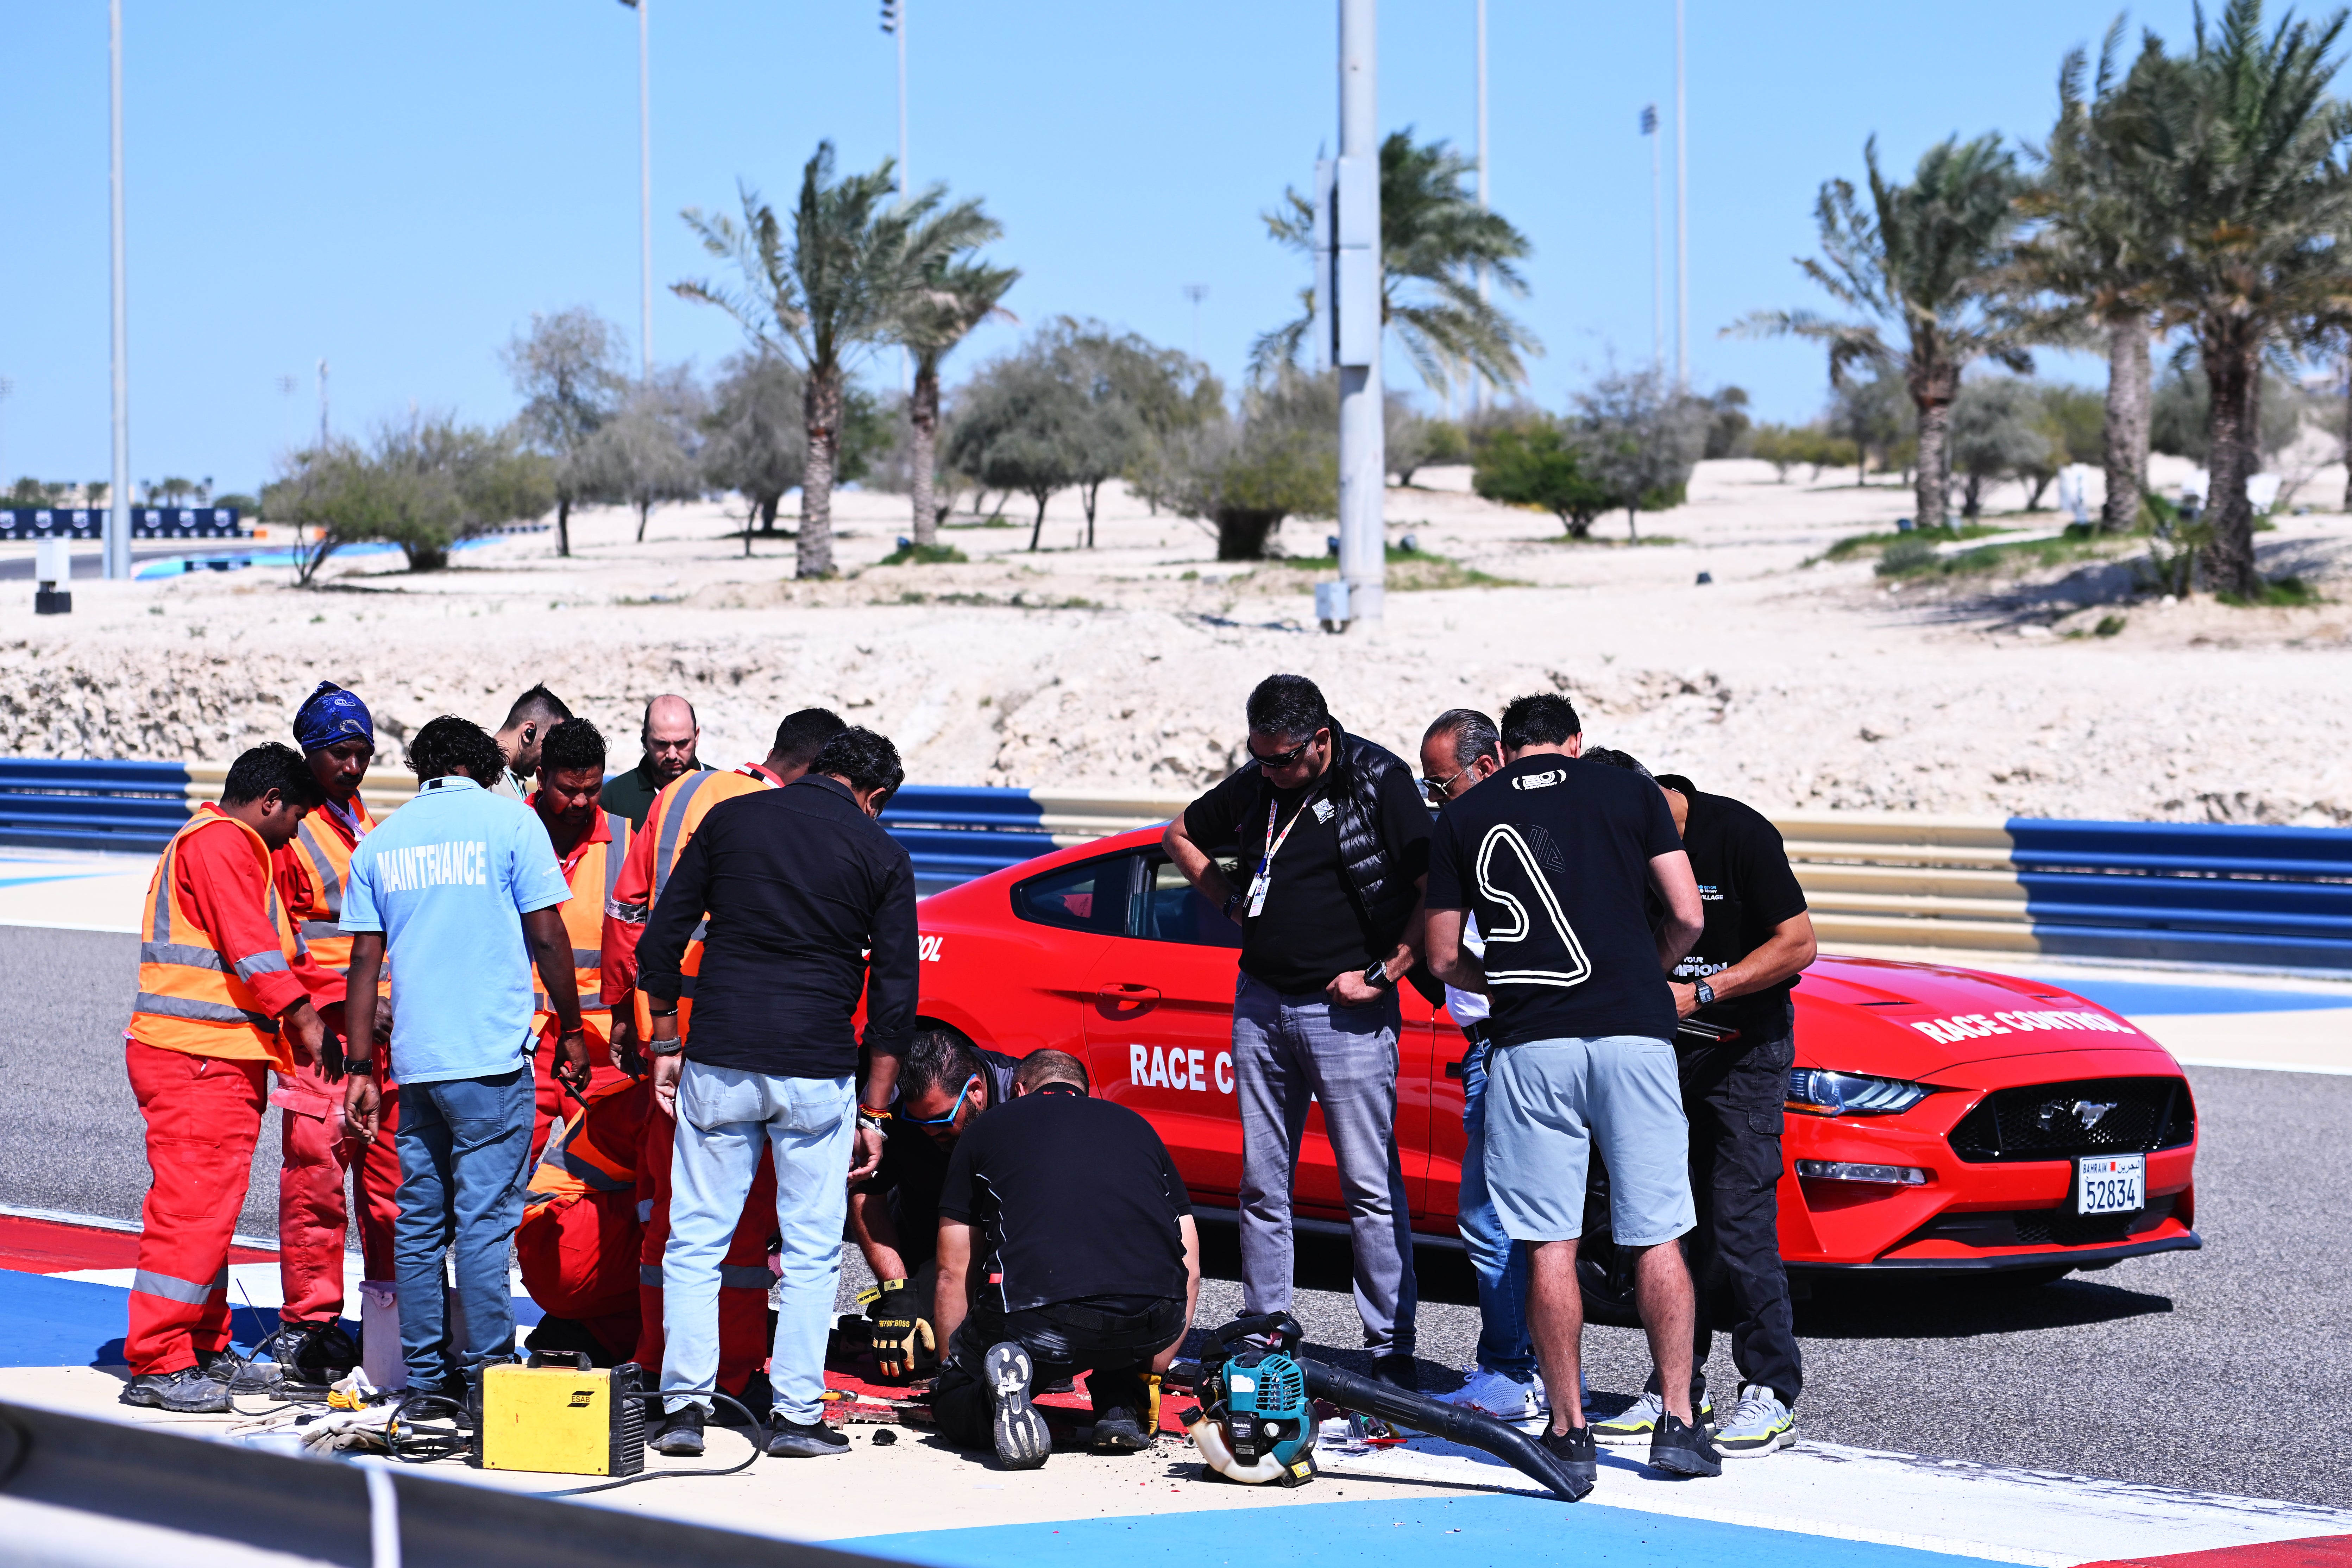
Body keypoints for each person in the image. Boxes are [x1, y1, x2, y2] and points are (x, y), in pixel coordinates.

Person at [1423, 691, 1715, 1491]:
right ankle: (1680, 1422)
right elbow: (1687, 916)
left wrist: (1510, 985)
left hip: (1530, 1041)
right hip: (1630, 1030)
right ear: (1575, 743)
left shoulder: (1463, 814)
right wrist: (1642, 971)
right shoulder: (1628, 791)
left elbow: (1444, 956)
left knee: (1549, 1239)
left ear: (1506, 751)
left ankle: (1567, 1427)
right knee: (1655, 1231)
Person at [637, 725, 918, 1460]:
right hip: (816, 1070)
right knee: (812, 1247)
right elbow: (894, 1001)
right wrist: (876, 1112)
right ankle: (796, 1416)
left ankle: (684, 1412)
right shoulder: (882, 853)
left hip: (721, 1054)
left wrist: (666, 1042)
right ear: (875, 794)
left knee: (695, 1240)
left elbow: (659, 941)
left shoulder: (731, 818)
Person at [1162, 673, 1427, 1387]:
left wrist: (1386, 970)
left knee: (1367, 1184)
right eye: (1258, 756)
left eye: (1280, 758)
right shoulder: (1258, 782)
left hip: (1345, 1011)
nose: (1267, 771)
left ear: (1318, 738)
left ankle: (1387, 1344)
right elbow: (1179, 833)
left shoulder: (1377, 777)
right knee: (1261, 1182)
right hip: (1261, 1000)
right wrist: (1224, 900)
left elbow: (1436, 885)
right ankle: (1266, 1324)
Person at [598, 705, 845, 1437]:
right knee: (745, 1230)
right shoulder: (779, 814)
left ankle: (661, 1367)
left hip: (666, 1032)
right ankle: (734, 1378)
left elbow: (627, 917)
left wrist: (631, 1015)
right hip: (744, 1038)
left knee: (670, 1216)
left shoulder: (674, 798)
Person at [339, 715, 588, 1401]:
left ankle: (424, 1382)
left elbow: (363, 964)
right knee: (482, 1224)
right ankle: (486, 1379)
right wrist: (570, 1026)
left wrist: (361, 1069)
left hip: (416, 1065)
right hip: (492, 1062)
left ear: (424, 769)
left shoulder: (381, 842)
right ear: (484, 765)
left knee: (419, 1227)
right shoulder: (510, 824)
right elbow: (547, 933)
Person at [1582, 751, 1817, 1460]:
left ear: (1651, 796)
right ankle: (1678, 1386)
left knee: (1739, 1217)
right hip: (1665, 1054)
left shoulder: (1737, 831)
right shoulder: (1619, 843)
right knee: (1668, 1223)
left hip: (1747, 1048)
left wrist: (1707, 989)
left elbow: (1799, 943)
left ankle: (1771, 1390)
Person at [122, 744, 329, 1413]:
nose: (293, 834)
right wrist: (305, 1022)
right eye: (293, 818)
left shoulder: (222, 842)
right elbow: (253, 947)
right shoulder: (225, 843)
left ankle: (203, 1347)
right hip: (196, 1057)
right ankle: (159, 1360)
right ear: (269, 801)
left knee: (208, 1211)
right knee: (191, 1211)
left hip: (208, 1055)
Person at [930, 1051, 1201, 1469]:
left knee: (956, 1404)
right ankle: (1120, 1409)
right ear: (1083, 1091)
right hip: (1153, 1316)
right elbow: (1193, 1270)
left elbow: (953, 1270)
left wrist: (955, 1372)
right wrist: (1153, 1374)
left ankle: (991, 1398)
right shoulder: (1137, 1127)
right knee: (1116, 1313)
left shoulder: (988, 1128)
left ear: (1019, 1090)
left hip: (1044, 1318)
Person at [245, 681, 399, 1396]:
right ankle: (309, 1321)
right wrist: (331, 1006)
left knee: (387, 1181)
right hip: (322, 1033)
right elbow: (283, 939)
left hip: (375, 1030)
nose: (356, 764)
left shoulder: (355, 816)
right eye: (342, 752)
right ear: (311, 751)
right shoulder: (290, 829)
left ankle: (389, 1311)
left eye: (364, 752)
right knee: (315, 1179)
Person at [1417, 708, 1545, 1423]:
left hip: (1505, 1040)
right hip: (1497, 1040)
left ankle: (1508, 1368)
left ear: (1489, 763)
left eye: (1443, 784)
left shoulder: (1496, 834)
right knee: (1516, 1215)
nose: (1438, 799)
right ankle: (1524, 1364)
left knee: (1489, 1215)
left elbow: (1449, 955)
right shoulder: (1480, 831)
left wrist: (1502, 989)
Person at [848, 1027, 1020, 1375]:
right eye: (919, 1123)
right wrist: (896, 1290)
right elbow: (867, 1195)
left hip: (1011, 1255)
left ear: (976, 1092)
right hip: (932, 1246)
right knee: (908, 1355)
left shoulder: (1019, 1096)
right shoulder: (892, 1105)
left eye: (941, 1122)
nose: (929, 1132)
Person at [524, 717, 636, 1159]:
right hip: (520, 1040)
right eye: (568, 790)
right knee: (502, 1176)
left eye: (592, 789)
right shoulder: (508, 834)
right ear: (540, 777)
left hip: (602, 1041)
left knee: (600, 1175)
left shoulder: (628, 841)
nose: (581, 801)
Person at [599, 694, 708, 831]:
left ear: (696, 736)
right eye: (661, 744)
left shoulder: (724, 789)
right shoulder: (613, 798)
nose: (672, 755)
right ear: (644, 739)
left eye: (682, 743)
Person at [489, 684, 572, 802]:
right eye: (551, 743)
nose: (553, 756)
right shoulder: (482, 775)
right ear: (528, 733)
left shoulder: (512, 780)